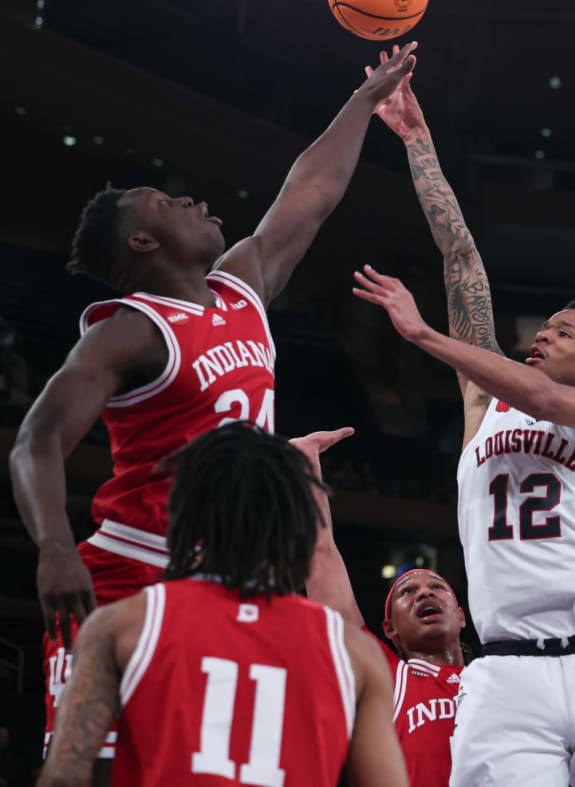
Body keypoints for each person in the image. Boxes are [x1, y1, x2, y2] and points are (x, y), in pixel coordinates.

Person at [9, 41, 418, 767]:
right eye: (168, 203)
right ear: (143, 240)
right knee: (99, 767)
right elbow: (36, 438)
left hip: (230, 575)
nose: (195, 202)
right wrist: (53, 548)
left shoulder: (243, 286)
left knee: (211, 765)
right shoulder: (130, 330)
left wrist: (363, 101)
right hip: (129, 569)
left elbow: (311, 192)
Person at [353, 60, 575, 786]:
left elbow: (548, 401)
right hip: (504, 671)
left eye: (565, 333)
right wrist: (417, 142)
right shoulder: (483, 397)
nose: (544, 336)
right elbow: (462, 256)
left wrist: (424, 336)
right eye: (545, 328)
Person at [36, 422, 409, 787]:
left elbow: (65, 777)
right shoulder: (351, 652)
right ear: (293, 523)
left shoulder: (122, 625)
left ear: (185, 514)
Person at [300, 430, 467, 787]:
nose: (425, 594)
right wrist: (305, 469)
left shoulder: (498, 677)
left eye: (437, 587)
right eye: (408, 592)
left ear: (462, 615)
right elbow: (321, 557)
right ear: (389, 628)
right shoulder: (387, 677)